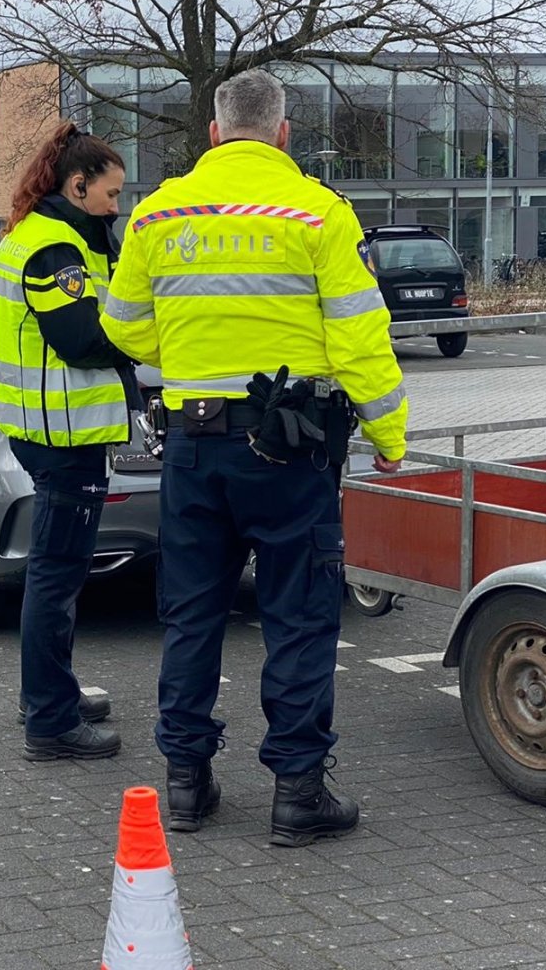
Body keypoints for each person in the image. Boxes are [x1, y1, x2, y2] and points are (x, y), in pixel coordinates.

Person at [102, 69, 407, 845]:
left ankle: (185, 784)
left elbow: (124, 326)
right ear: (282, 133)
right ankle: (298, 794)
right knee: (298, 617)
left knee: (192, 614)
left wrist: (188, 353)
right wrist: (389, 434)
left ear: (213, 132)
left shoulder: (157, 213)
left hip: (191, 444)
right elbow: (359, 336)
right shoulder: (319, 211)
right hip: (289, 450)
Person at [0, 120, 140, 762]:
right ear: (78, 186)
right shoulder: (56, 249)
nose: (117, 206)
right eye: (111, 194)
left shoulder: (53, 235)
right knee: (57, 576)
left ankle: (48, 693)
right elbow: (82, 340)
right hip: (63, 437)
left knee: (57, 573)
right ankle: (50, 722)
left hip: (46, 430)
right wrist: (145, 340)